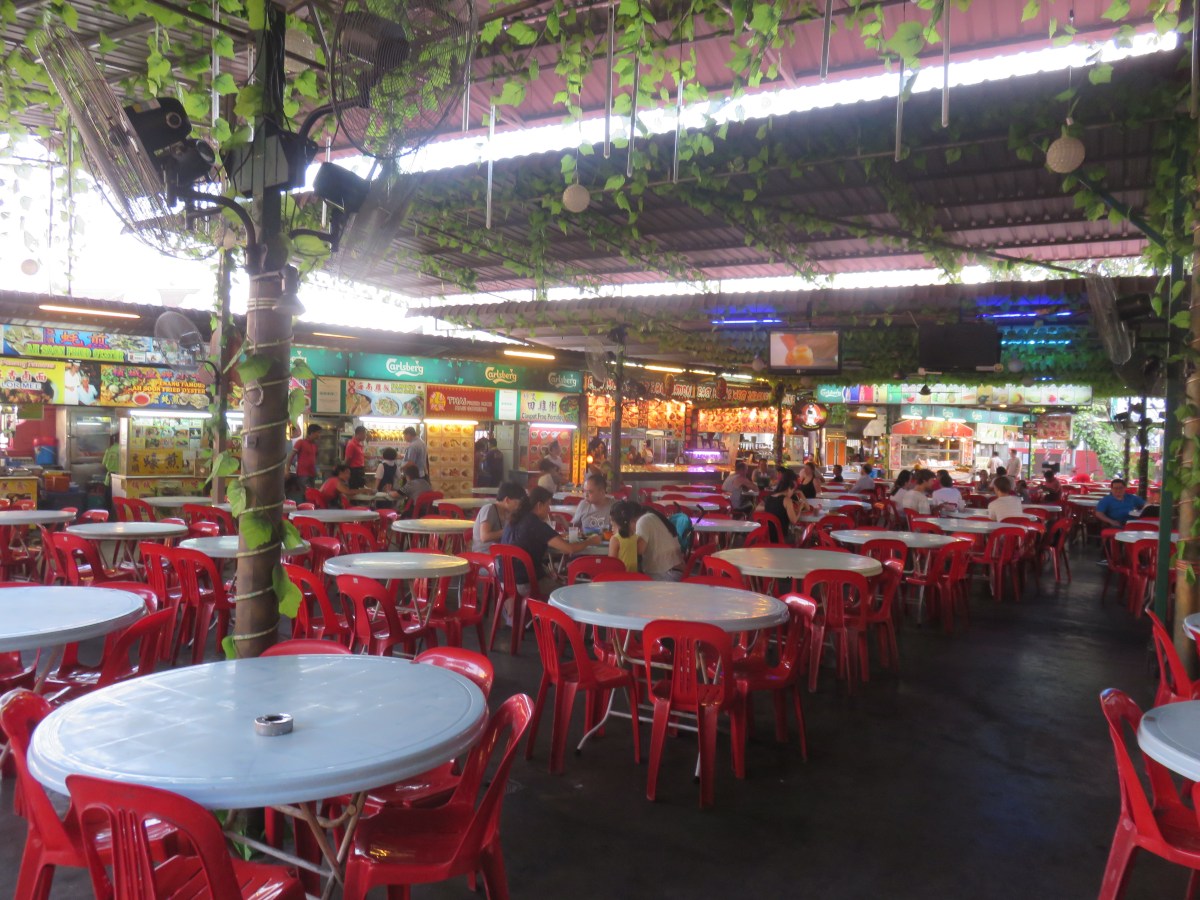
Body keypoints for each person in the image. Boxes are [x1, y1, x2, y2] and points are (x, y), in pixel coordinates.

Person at [502, 486, 601, 598]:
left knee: (555, 580)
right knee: (567, 593)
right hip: (525, 583)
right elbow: (569, 549)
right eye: (548, 505)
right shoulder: (536, 525)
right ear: (539, 505)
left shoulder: (513, 520)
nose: (549, 509)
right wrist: (590, 541)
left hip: (504, 581)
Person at [633, 502, 685, 580]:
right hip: (676, 571)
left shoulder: (643, 520)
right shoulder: (653, 516)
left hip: (666, 575)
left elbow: (639, 550)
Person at [472, 481, 526, 553]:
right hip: (483, 553)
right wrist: (508, 531)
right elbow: (484, 537)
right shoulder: (489, 509)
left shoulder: (507, 512)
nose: (518, 507)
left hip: (498, 551)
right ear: (507, 500)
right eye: (517, 503)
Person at [763, 467, 811, 533]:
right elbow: (794, 521)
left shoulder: (769, 497)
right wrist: (799, 509)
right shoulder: (787, 500)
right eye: (793, 490)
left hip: (768, 535)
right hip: (782, 536)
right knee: (802, 532)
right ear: (790, 487)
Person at [608, 500, 642, 573]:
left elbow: (611, 563)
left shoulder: (615, 539)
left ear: (612, 520)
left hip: (620, 576)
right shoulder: (635, 537)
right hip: (633, 575)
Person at [289, 423, 322, 488]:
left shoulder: (315, 445)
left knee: (312, 493)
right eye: (318, 432)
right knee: (306, 492)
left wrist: (318, 472)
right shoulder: (300, 442)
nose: (319, 435)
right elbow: (291, 456)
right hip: (303, 475)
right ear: (312, 433)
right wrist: (287, 470)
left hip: (312, 474)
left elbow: (316, 460)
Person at [345, 425, 368, 489]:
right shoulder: (351, 444)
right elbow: (348, 459)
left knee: (361, 489)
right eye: (365, 434)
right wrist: (347, 471)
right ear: (360, 433)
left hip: (360, 470)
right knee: (354, 489)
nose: (366, 436)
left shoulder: (360, 444)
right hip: (354, 471)